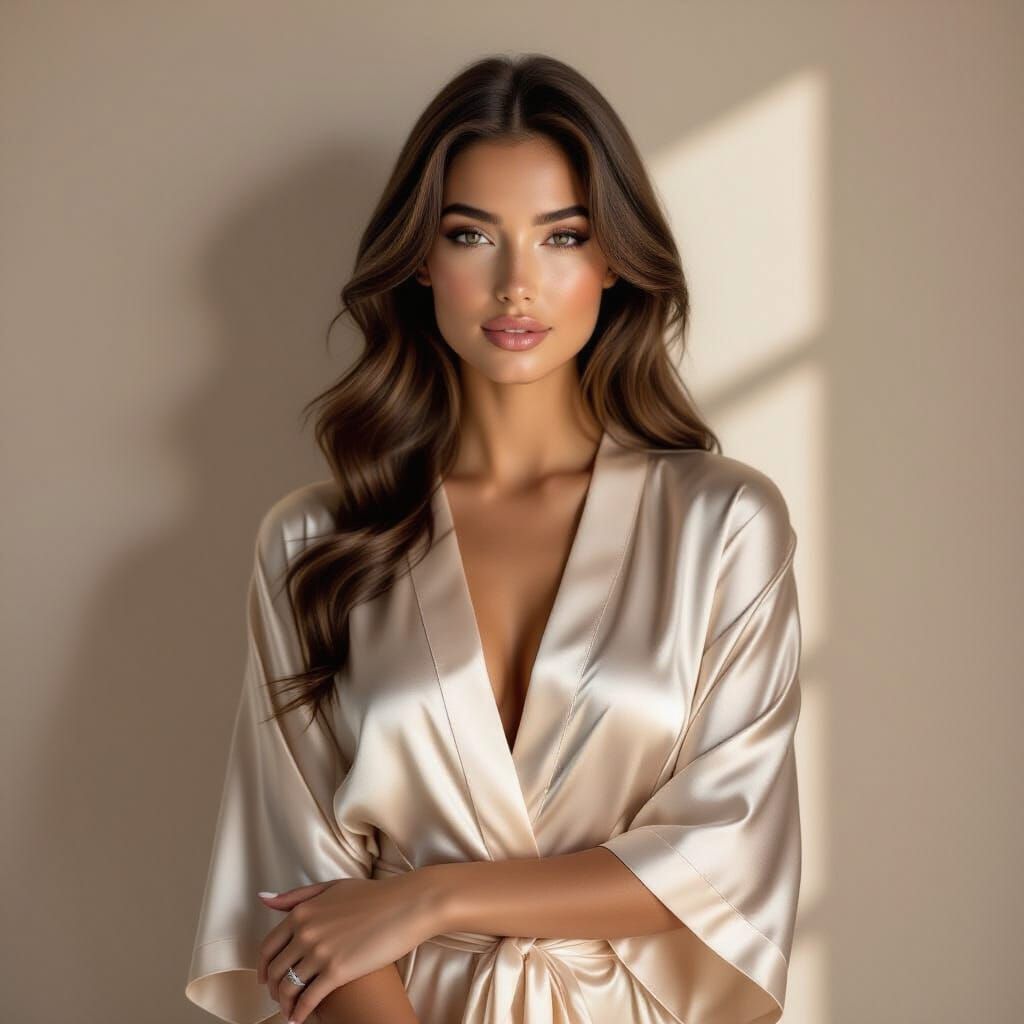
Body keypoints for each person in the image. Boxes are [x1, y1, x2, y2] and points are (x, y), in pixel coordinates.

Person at [184, 52, 803, 1024]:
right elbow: (301, 882)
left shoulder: (722, 524)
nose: (517, 283)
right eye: (473, 234)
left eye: (561, 236)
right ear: (422, 259)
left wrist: (435, 894)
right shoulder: (313, 541)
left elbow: (725, 847)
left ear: (612, 261)